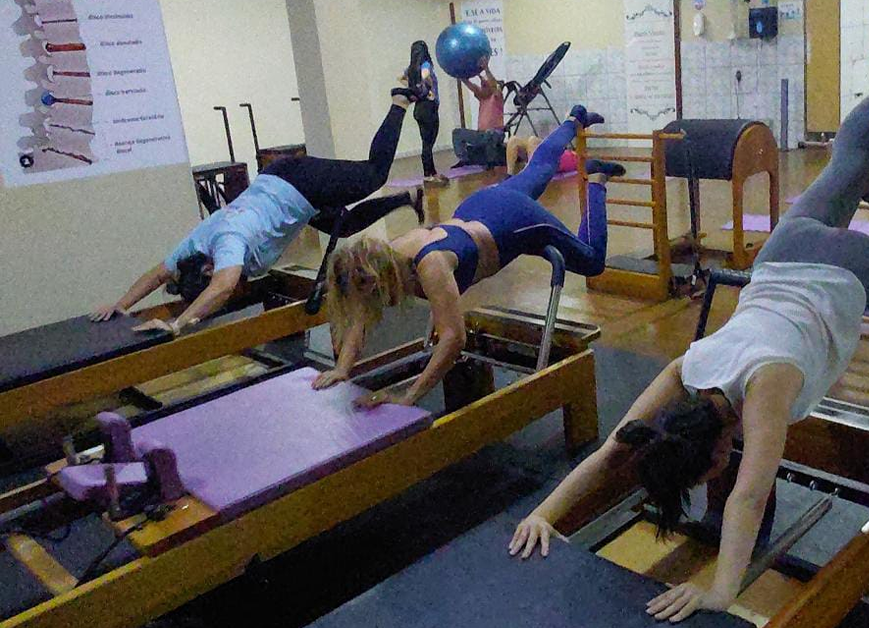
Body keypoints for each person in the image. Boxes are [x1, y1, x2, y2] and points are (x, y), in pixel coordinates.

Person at [508, 56, 869, 623]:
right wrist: (544, 514)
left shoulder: (766, 389)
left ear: (718, 454)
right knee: (847, 161)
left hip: (842, 268)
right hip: (781, 252)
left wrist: (721, 592)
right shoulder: (686, 371)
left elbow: (748, 493)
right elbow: (615, 450)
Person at [312, 105, 623, 408]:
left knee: (592, 261)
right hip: (482, 206)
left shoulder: (430, 265)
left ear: (373, 281)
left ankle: (596, 182)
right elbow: (360, 316)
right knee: (539, 168)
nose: (364, 304)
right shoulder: (383, 257)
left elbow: (453, 338)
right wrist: (342, 369)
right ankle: (574, 117)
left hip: (515, 220)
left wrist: (407, 396)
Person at [90, 89, 425, 335]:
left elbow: (222, 287)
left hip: (298, 183)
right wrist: (122, 304)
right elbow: (157, 274)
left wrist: (178, 324)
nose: (229, 289)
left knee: (374, 174)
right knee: (345, 224)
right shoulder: (193, 249)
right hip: (287, 190)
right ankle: (407, 198)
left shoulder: (228, 243)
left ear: (209, 268)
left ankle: (399, 100)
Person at [402, 40, 447, 187]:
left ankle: (432, 172)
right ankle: (428, 174)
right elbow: (425, 75)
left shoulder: (410, 68)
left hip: (419, 109)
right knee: (428, 143)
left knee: (426, 143)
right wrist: (429, 88)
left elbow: (402, 78)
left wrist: (414, 89)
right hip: (429, 107)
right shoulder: (426, 64)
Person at [461, 56, 505, 133]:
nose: (482, 87)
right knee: (458, 133)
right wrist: (460, 75)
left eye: (485, 85)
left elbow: (493, 85)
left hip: (494, 133)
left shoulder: (496, 97)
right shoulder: (482, 98)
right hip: (482, 133)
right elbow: (472, 87)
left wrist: (486, 68)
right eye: (482, 86)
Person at [506, 134, 578, 177]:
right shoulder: (572, 156)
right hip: (544, 158)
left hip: (549, 161)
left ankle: (526, 173)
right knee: (514, 140)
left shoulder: (574, 159)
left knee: (532, 140)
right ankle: (510, 174)